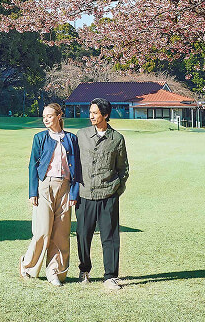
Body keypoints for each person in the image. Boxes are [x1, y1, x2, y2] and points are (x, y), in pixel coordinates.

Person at [20, 103, 80, 286]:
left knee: (61, 233)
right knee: (43, 230)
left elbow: (78, 167)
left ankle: (55, 271)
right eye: (44, 116)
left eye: (49, 116)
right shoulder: (39, 138)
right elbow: (33, 165)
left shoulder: (71, 138)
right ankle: (28, 266)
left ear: (59, 116)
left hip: (65, 187)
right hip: (44, 186)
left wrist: (74, 193)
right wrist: (33, 192)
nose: (45, 119)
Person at [76, 98, 129, 290]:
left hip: (108, 195)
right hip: (84, 194)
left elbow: (123, 168)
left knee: (110, 236)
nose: (91, 116)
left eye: (95, 113)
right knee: (83, 235)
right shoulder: (81, 135)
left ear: (105, 115)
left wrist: (116, 189)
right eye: (90, 112)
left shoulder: (117, 139)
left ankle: (110, 276)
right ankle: (84, 271)